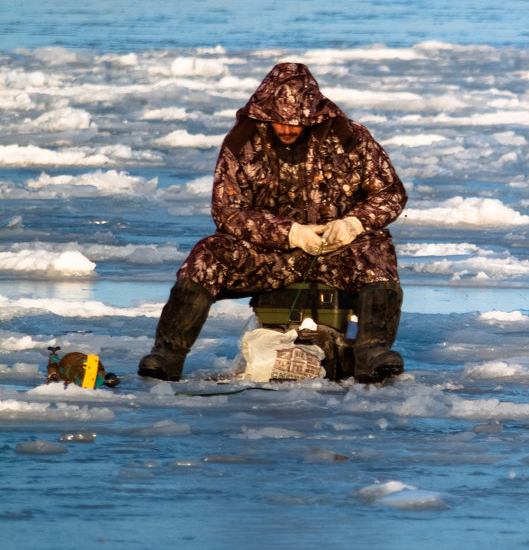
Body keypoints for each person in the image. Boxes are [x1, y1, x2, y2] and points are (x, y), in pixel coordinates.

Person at [138, 63, 408, 384]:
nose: (287, 128)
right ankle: (167, 355)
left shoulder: (351, 139)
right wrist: (290, 233)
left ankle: (373, 352)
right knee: (207, 254)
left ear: (313, 115)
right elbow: (227, 211)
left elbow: (391, 192)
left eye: (296, 122)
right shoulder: (243, 144)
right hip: (268, 255)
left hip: (335, 252)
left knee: (376, 248)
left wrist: (352, 224)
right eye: (279, 121)